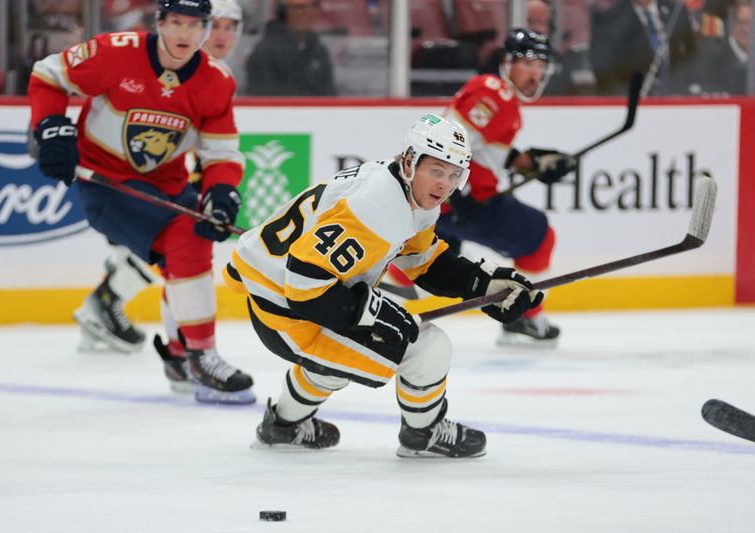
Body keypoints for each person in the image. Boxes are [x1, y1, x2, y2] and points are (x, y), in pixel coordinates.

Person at [224, 114, 543, 457]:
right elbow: (305, 283)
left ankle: (282, 426)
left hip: (281, 291)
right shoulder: (378, 207)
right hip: (287, 310)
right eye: (436, 170)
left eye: (454, 175)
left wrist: (483, 284)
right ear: (410, 161)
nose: (444, 185)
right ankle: (426, 432)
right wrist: (371, 316)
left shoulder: (402, 187)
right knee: (427, 347)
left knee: (339, 360)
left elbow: (423, 260)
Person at [27, 0, 255, 404]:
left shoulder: (216, 80)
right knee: (187, 238)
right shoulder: (116, 52)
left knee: (186, 252)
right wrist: (50, 125)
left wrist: (221, 191)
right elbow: (48, 74)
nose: (185, 34)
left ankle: (181, 356)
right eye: (176, 23)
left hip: (167, 186)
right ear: (160, 23)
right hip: (107, 184)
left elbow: (221, 152)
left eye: (195, 24)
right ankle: (201, 358)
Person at [74, 0, 244, 356]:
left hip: (170, 179)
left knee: (176, 253)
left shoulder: (214, 75)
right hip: (133, 180)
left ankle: (114, 306)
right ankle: (177, 348)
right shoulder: (163, 61)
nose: (222, 35)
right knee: (175, 251)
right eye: (218, 25)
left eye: (232, 27)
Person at [432, 29, 575, 347]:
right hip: (462, 203)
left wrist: (534, 162)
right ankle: (525, 320)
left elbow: (486, 149)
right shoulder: (494, 93)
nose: (535, 74)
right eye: (528, 63)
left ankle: (368, 300)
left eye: (541, 67)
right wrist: (458, 196)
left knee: (420, 266)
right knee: (539, 237)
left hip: (441, 204)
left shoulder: (498, 94)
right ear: (507, 61)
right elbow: (450, 143)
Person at [590, 0, 697, 95]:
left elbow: (693, 54)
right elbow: (603, 69)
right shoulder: (611, 17)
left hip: (679, 98)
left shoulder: (676, 11)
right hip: (635, 100)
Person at [245, 0, 336, 96]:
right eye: (297, 8)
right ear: (283, 12)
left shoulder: (319, 50)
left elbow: (330, 95)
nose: (305, 13)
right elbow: (263, 102)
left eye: (311, 7)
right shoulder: (264, 53)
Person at [684, 0, 750, 95]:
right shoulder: (711, 55)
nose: (746, 29)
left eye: (750, 23)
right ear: (733, 24)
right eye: (742, 23)